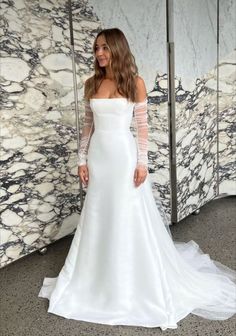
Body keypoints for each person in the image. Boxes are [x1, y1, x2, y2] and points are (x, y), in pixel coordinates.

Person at [38, 28, 236, 331]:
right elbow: (88, 126)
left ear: (117, 48)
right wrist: (81, 159)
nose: (100, 54)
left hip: (123, 157)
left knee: (125, 213)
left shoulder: (135, 83)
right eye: (96, 49)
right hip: (99, 157)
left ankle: (129, 278)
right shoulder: (92, 83)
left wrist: (142, 163)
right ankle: (95, 275)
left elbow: (142, 127)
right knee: (99, 214)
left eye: (105, 48)